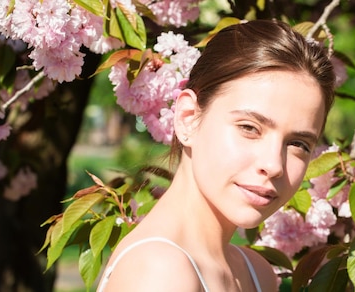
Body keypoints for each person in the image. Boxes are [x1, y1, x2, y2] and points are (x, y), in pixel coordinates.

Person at [96, 19, 336, 291]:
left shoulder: (257, 272)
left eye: (298, 144)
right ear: (188, 118)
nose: (273, 165)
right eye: (249, 128)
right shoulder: (160, 272)